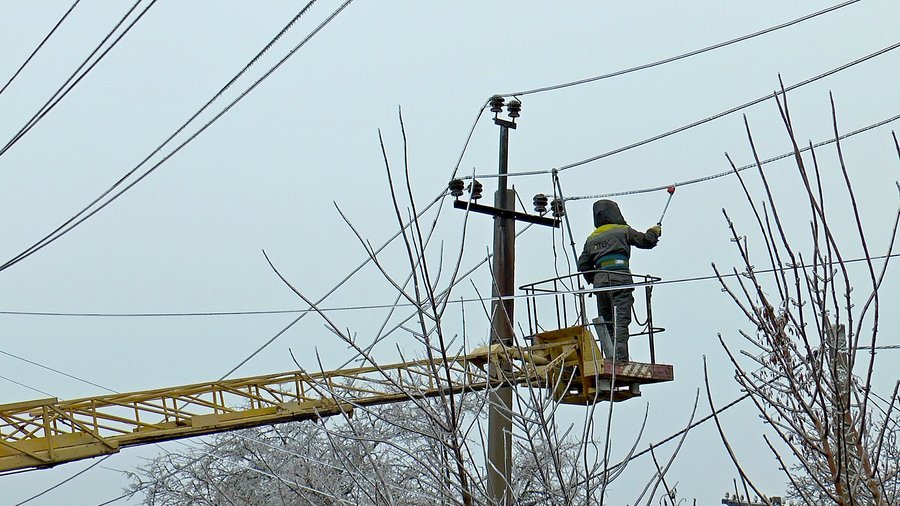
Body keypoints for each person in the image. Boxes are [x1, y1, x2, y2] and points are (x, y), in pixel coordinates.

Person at [577, 200, 661, 361]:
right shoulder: (622, 230)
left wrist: (594, 279)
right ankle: (620, 360)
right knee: (620, 321)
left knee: (606, 321)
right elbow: (646, 241)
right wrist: (654, 231)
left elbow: (583, 264)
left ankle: (609, 357)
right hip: (620, 281)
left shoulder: (591, 239)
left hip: (600, 285)